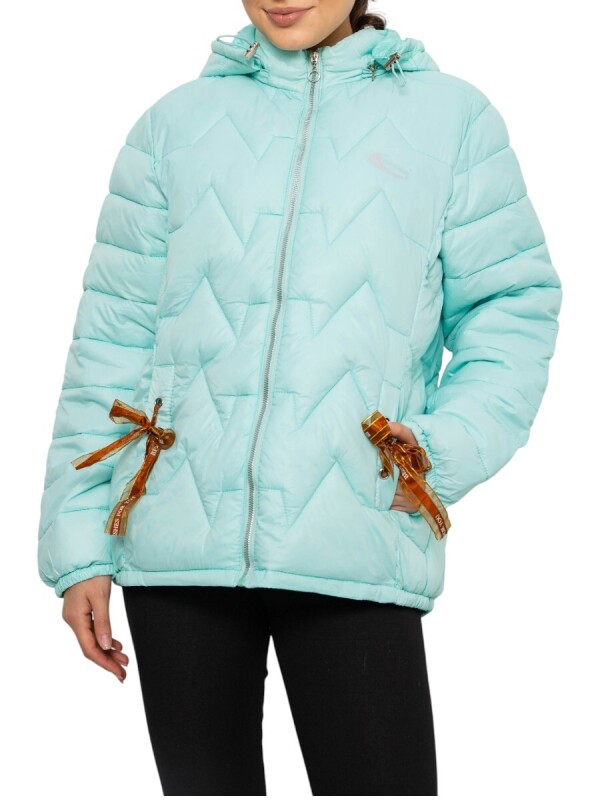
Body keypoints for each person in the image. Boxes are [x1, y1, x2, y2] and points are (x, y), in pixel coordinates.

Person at [37, 0, 562, 795]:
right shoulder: (173, 127)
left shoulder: (451, 122)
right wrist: (80, 545)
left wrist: (439, 448)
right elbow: (111, 343)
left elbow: (511, 310)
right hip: (176, 553)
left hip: (356, 531)